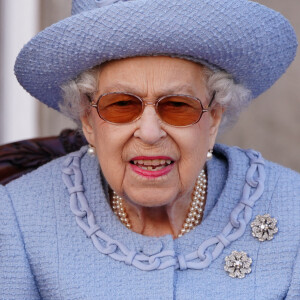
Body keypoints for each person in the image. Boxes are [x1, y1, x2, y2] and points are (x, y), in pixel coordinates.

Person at [1, 0, 299, 299]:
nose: (150, 132)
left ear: (213, 119)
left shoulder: (292, 209)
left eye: (178, 106)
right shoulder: (19, 216)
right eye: (121, 105)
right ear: (87, 120)